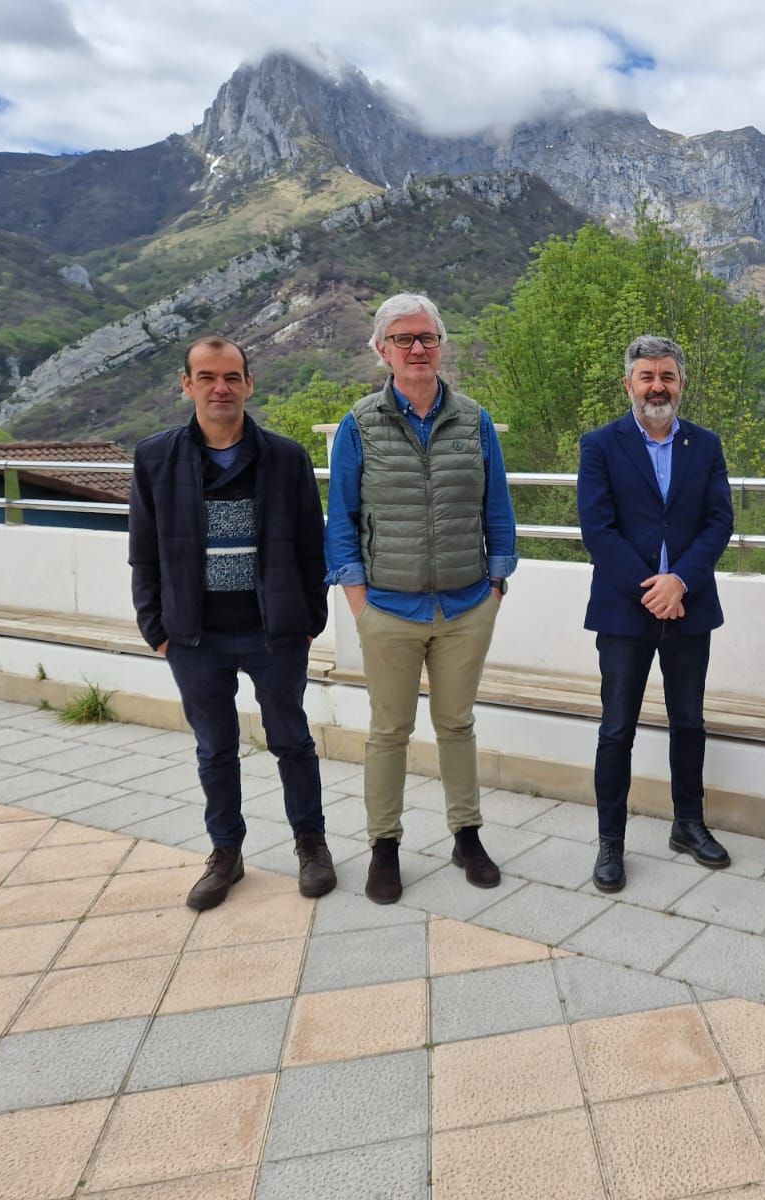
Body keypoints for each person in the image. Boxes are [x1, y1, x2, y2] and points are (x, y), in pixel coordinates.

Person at [129, 334, 334, 911]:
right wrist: (157, 627)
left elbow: (310, 548)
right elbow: (143, 550)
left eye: (232, 377)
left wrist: (309, 617)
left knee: (291, 740)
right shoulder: (155, 458)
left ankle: (311, 843)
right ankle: (226, 853)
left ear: (248, 383)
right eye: (208, 377)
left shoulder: (285, 457)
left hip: (275, 632)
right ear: (187, 384)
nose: (221, 388)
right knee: (214, 747)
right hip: (194, 635)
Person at [324, 293, 517, 904]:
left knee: (457, 725)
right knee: (389, 731)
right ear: (383, 350)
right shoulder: (359, 424)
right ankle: (385, 846)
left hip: (466, 607)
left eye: (427, 338)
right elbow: (342, 519)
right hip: (388, 608)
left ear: (441, 345)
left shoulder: (475, 420)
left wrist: (495, 585)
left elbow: (499, 510)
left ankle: (467, 834)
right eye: (404, 339)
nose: (417, 349)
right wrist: (360, 603)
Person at [578, 334, 735, 893]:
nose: (657, 386)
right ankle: (610, 844)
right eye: (647, 377)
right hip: (625, 611)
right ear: (629, 384)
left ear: (681, 383)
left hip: (689, 608)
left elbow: (719, 522)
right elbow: (597, 528)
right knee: (617, 729)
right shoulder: (600, 445)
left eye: (667, 376)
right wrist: (652, 589)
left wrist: (681, 581)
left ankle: (688, 825)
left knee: (689, 723)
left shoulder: (706, 445)